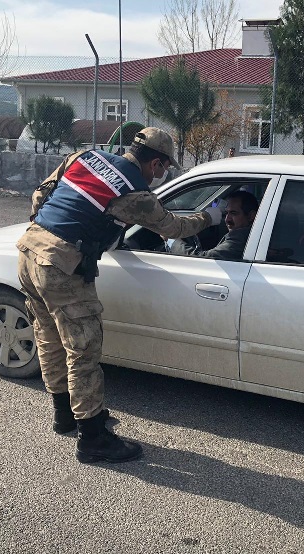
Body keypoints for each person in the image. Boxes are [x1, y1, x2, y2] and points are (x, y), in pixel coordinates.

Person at [17, 127, 223, 464]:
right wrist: (210, 216)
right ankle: (93, 439)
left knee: (49, 338)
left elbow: (41, 194)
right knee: (83, 351)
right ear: (156, 164)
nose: (163, 174)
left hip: (28, 252)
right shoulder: (136, 196)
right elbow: (174, 228)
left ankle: (65, 416)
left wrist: (55, 229)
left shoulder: (84, 157)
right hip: (62, 268)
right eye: (165, 168)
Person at [168, 191, 258, 260]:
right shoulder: (252, 233)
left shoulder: (240, 238)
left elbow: (205, 259)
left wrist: (172, 240)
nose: (227, 219)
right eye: (226, 213)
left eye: (233, 213)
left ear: (251, 216)